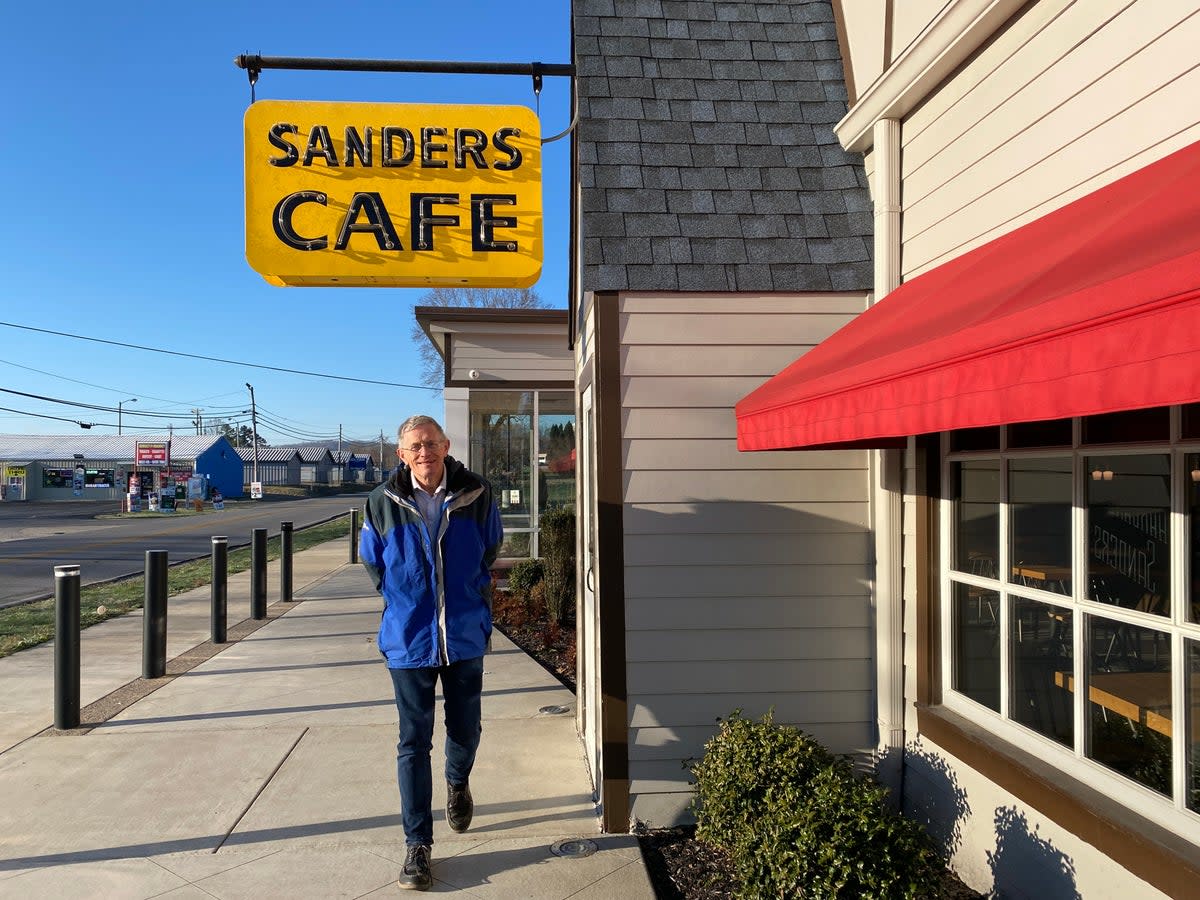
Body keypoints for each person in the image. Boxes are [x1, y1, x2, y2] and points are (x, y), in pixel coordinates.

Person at [359, 415, 502, 891]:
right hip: (409, 641)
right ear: (401, 454)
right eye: (415, 446)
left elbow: (488, 551)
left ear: (446, 446)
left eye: (432, 444)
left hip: (463, 635)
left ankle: (458, 783)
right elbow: (374, 565)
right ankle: (417, 846)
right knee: (412, 743)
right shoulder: (380, 503)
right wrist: (408, 603)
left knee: (466, 729)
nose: (425, 452)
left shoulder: (478, 494)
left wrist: (465, 600)